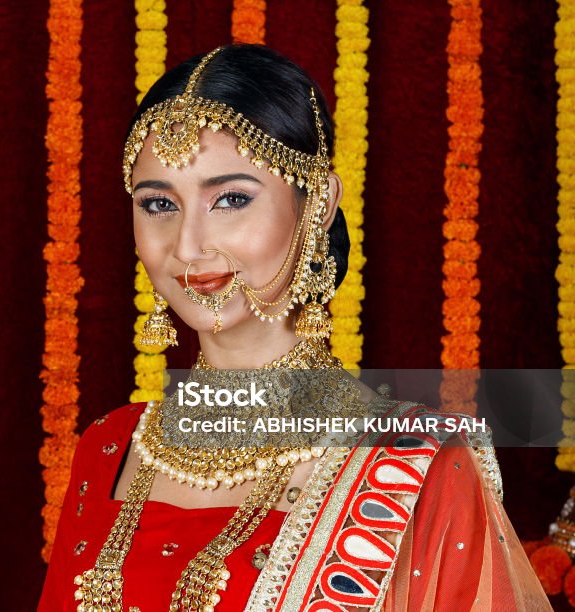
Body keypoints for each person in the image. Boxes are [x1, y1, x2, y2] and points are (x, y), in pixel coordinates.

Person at [38, 45, 551, 611]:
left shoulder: (416, 468)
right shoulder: (109, 449)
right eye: (158, 204)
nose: (186, 246)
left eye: (231, 199)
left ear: (319, 203)